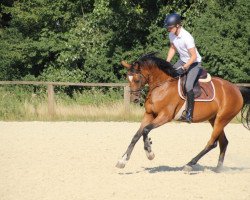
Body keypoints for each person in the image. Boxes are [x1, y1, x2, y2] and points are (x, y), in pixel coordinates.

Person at [164, 13, 202, 123]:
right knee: (168, 76)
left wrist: (184, 68)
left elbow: (194, 56)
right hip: (182, 59)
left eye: (170, 27)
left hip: (194, 63)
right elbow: (172, 48)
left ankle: (189, 113)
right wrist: (167, 62)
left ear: (177, 25)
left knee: (188, 85)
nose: (168, 29)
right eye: (168, 27)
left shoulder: (187, 37)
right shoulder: (171, 34)